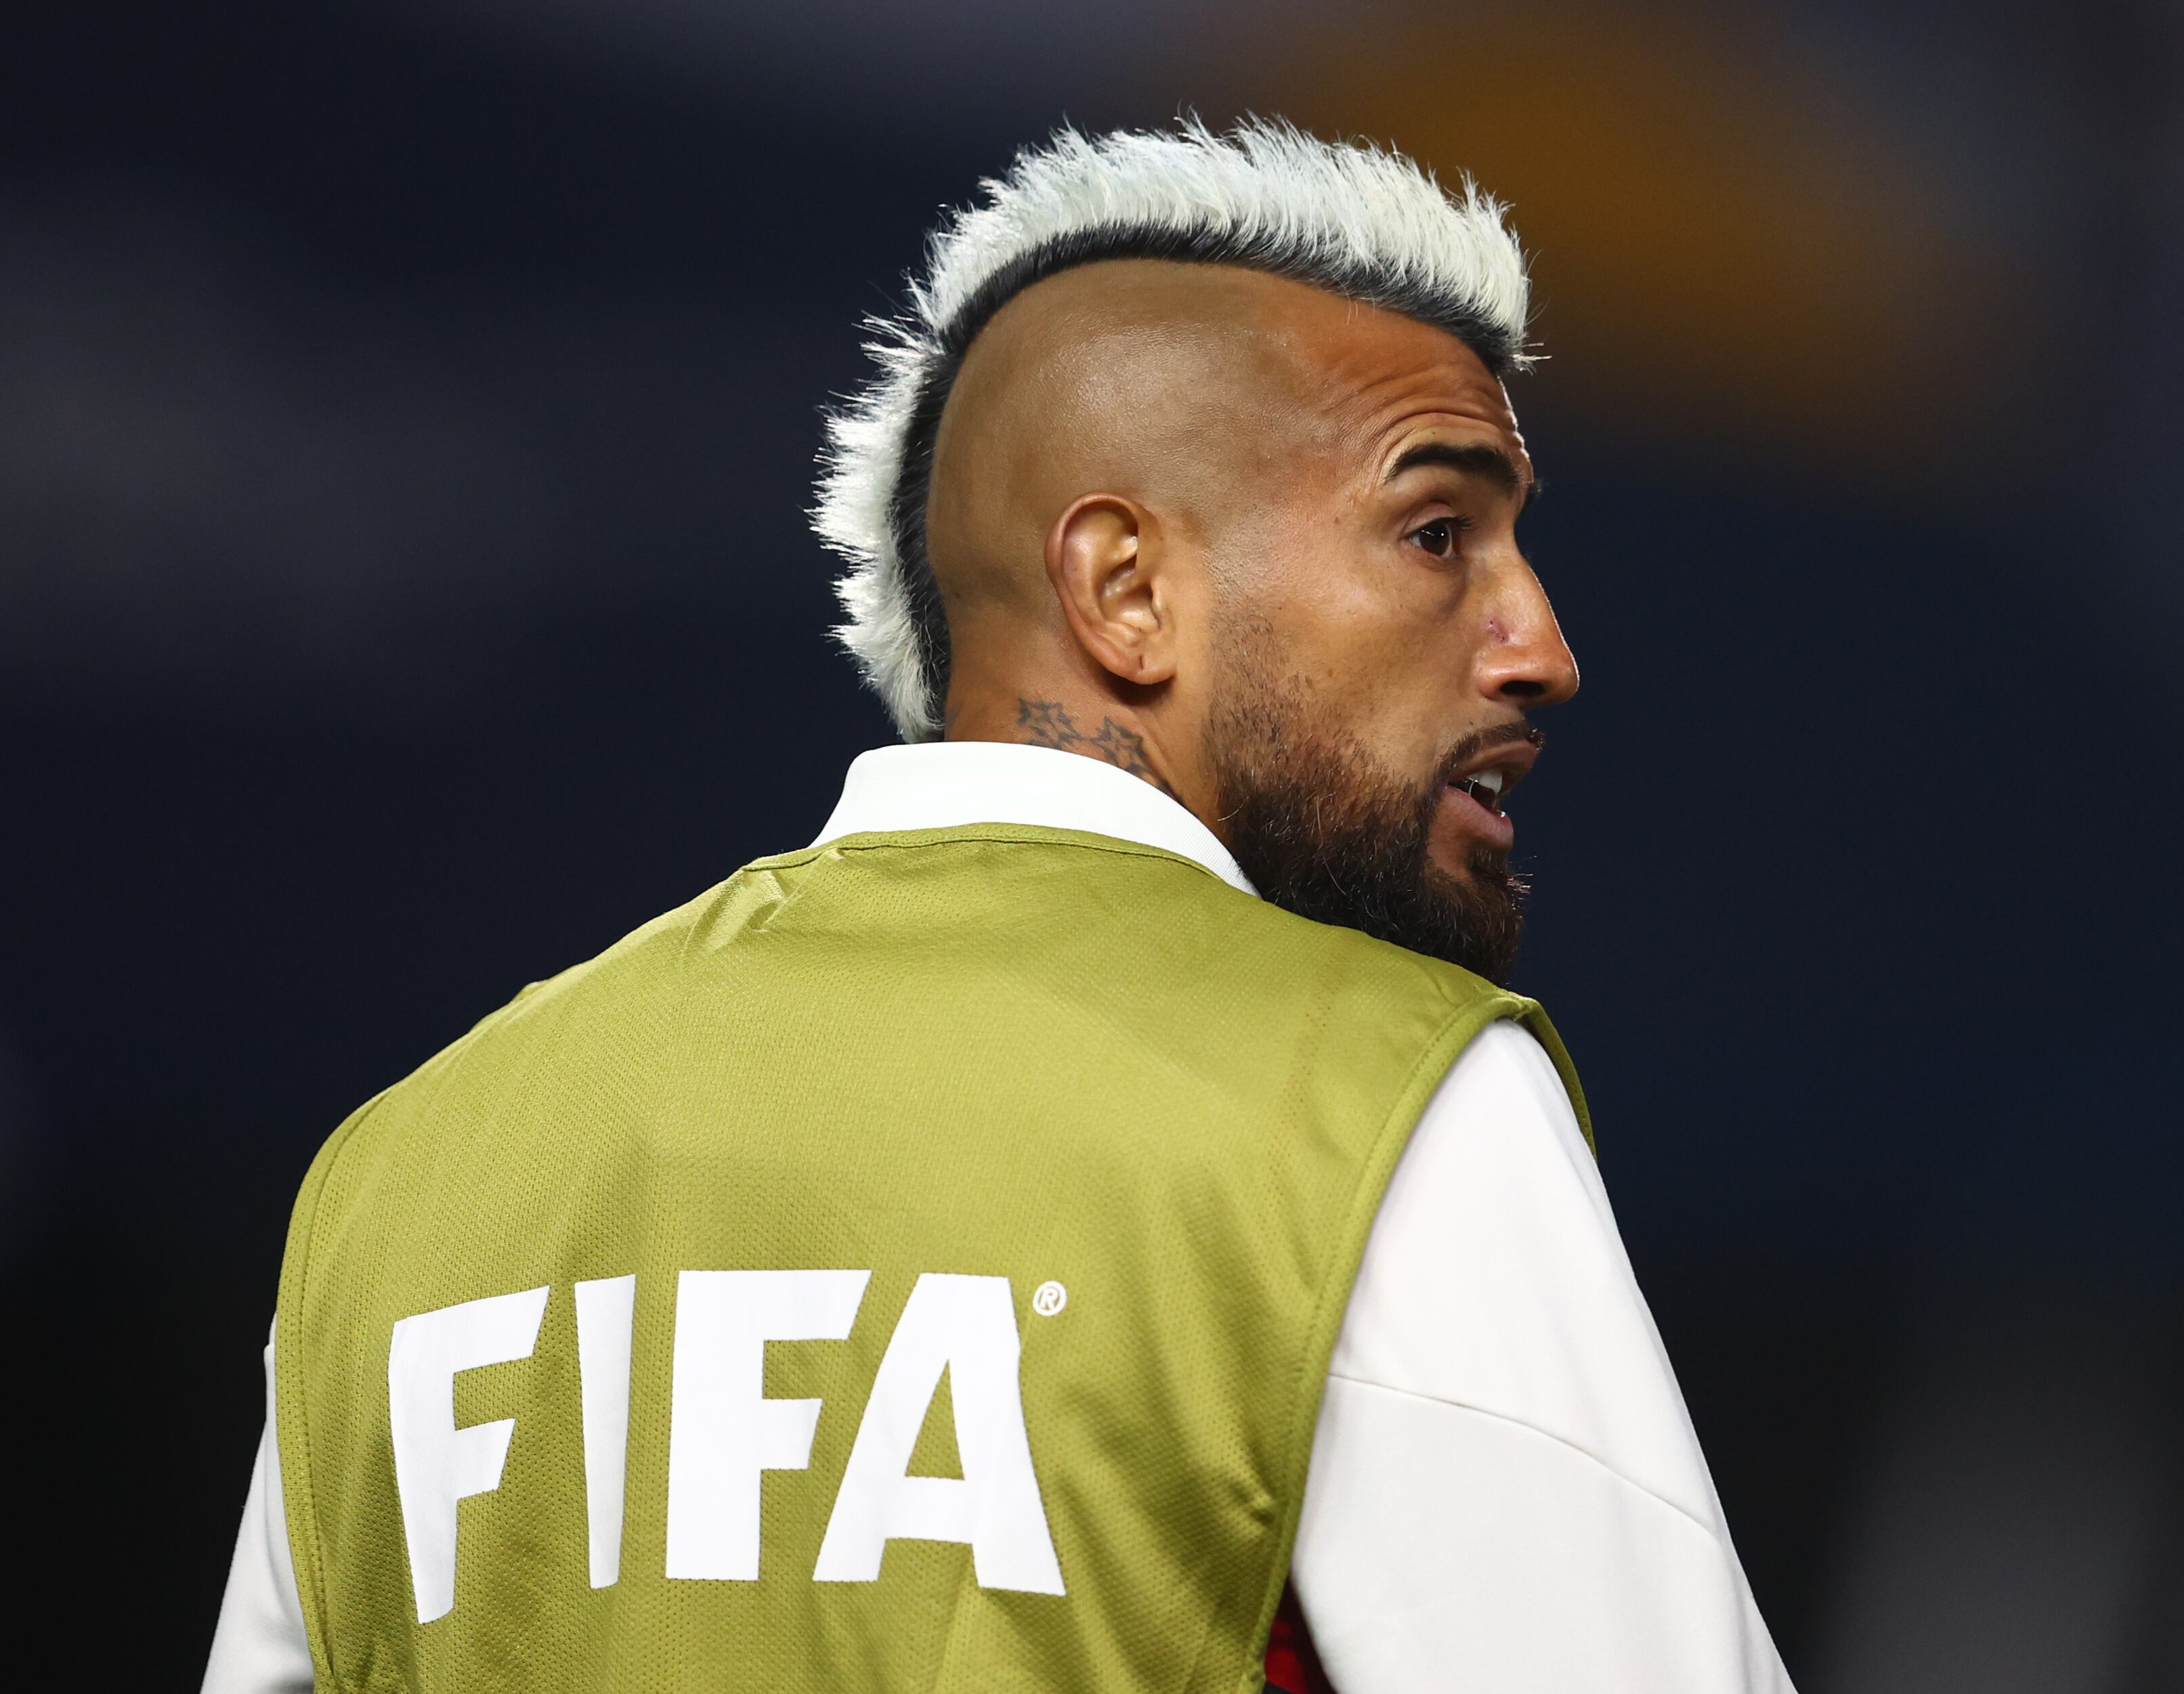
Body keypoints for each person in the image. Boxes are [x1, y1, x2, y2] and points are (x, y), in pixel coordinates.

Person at [202, 119, 1795, 1694]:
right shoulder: (1377, 1107)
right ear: (1124, 590)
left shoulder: (396, 1185)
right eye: (1438, 533)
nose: (1542, 647)